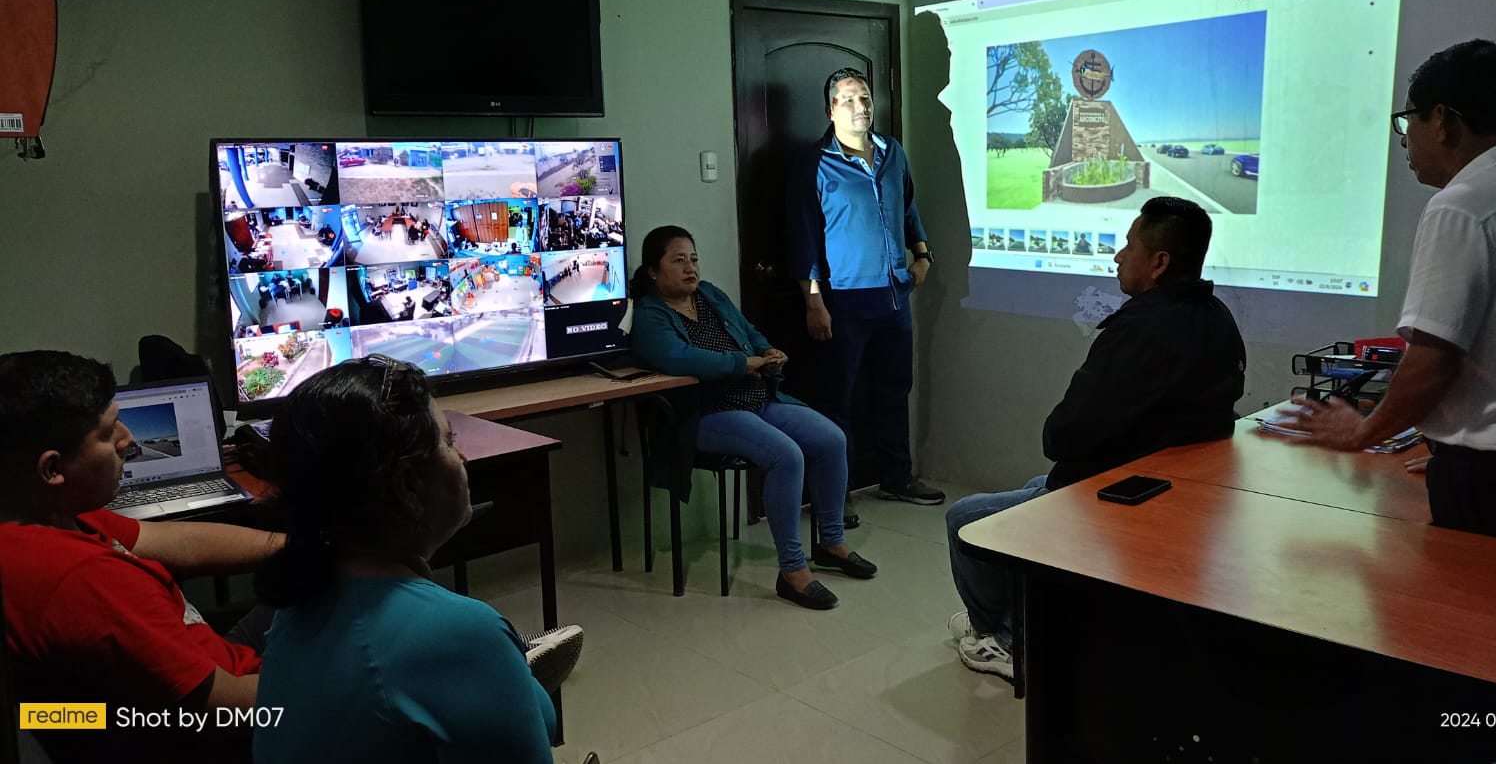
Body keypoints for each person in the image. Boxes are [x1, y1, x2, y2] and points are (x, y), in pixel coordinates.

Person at [1284, 40, 1496, 555]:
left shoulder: (1463, 206)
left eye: (1406, 121)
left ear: (1442, 120)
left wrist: (1364, 431)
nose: (1404, 140)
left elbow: (1433, 360)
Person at [945, 198, 1245, 681]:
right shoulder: (1217, 318)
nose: (1118, 257)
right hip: (1177, 493)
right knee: (1033, 486)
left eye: (1128, 246)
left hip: (1118, 496)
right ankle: (1019, 619)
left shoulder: (1137, 331)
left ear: (1159, 262)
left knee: (965, 519)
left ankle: (1004, 639)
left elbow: (1064, 436)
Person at [252, 356, 571, 762]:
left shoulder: (295, 605)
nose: (463, 458)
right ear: (408, 484)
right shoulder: (463, 633)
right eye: (449, 442)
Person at [0, 350, 284, 762]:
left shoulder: (44, 511)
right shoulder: (85, 580)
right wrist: (344, 681)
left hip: (186, 665)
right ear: (53, 469)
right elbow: (224, 709)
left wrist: (294, 546)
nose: (128, 440)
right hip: (219, 716)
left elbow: (176, 540)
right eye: (107, 432)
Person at [630, 225, 876, 610]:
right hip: (706, 412)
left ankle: (831, 544)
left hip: (756, 397)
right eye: (678, 260)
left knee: (832, 440)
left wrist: (767, 351)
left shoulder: (710, 294)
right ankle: (792, 571)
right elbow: (679, 358)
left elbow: (748, 330)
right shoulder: (649, 315)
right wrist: (743, 363)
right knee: (786, 455)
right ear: (653, 270)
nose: (690, 268)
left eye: (694, 259)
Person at [787, 66, 943, 516]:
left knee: (895, 390)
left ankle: (896, 478)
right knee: (837, 400)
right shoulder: (815, 162)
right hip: (843, 299)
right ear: (830, 110)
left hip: (894, 295)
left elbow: (908, 208)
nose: (861, 107)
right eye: (849, 99)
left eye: (866, 98)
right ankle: (835, 495)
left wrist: (923, 256)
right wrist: (813, 301)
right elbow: (803, 236)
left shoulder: (892, 152)